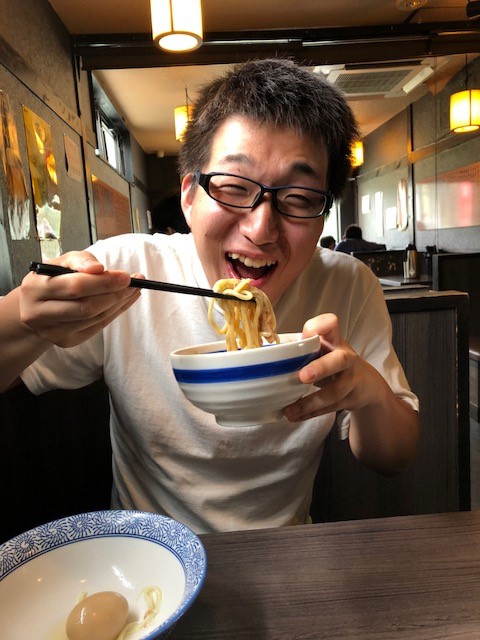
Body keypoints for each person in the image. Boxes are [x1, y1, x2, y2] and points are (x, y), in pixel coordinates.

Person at [0, 59, 419, 534]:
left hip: (286, 550)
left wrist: (367, 393)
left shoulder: (347, 283)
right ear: (188, 196)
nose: (261, 228)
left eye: (299, 198)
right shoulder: (127, 271)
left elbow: (395, 457)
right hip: (149, 552)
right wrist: (24, 317)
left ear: (323, 215)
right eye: (234, 188)